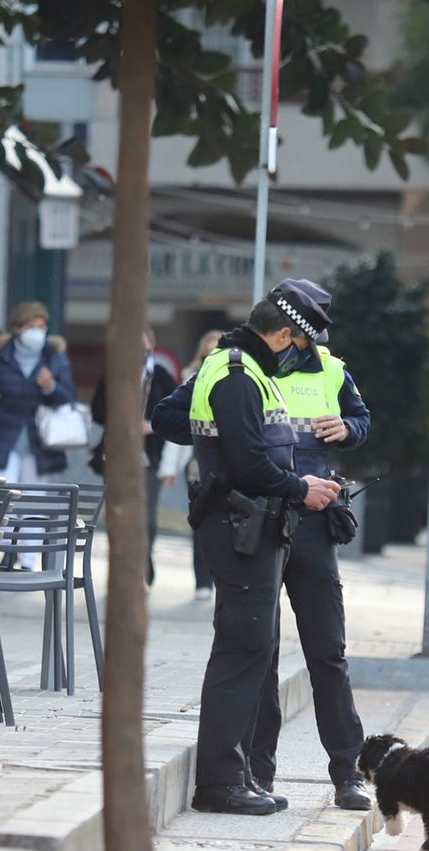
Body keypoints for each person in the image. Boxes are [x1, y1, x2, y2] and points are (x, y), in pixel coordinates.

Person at [154, 281, 374, 810]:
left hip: (313, 523)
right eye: (302, 340)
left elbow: (363, 422)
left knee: (327, 650)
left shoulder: (327, 368)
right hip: (260, 519)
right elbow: (169, 418)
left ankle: (349, 772)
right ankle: (256, 772)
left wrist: (346, 429)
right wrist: (224, 440)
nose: (306, 350)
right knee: (258, 648)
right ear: (284, 333)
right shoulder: (236, 370)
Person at [92, 327, 179, 584]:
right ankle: (122, 565)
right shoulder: (115, 373)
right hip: (117, 455)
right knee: (117, 513)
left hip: (148, 455)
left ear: (151, 346)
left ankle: (144, 556)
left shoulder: (161, 376)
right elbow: (98, 410)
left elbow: (173, 412)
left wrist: (151, 425)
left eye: (143, 345)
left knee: (148, 516)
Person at [0, 302, 77, 481]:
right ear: (17, 329)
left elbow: (68, 397)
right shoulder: (2, 358)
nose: (37, 332)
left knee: (34, 500)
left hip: (40, 442)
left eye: (41, 327)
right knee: (1, 495)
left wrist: (50, 387)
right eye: (31, 327)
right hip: (4, 439)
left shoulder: (54, 358)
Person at [159, 329, 225, 599]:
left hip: (229, 461)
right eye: (207, 352)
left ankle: (222, 578)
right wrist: (169, 467)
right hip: (197, 462)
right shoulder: (191, 379)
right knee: (201, 520)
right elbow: (176, 427)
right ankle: (202, 581)